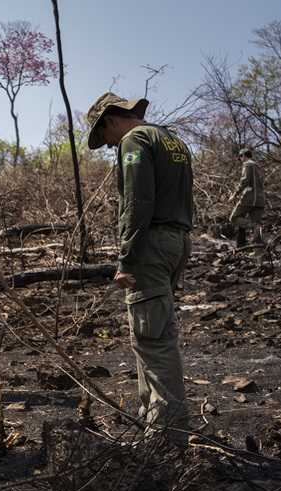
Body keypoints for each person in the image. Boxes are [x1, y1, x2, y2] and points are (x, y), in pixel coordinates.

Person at [86, 93, 193, 446]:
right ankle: (153, 426)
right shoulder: (172, 138)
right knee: (151, 334)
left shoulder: (134, 140)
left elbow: (137, 201)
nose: (108, 146)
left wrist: (126, 260)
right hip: (178, 241)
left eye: (105, 138)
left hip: (151, 244)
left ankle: (167, 436)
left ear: (111, 120)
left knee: (154, 339)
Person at [227, 148, 266, 246]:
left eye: (240, 158)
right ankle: (258, 250)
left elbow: (244, 181)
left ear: (243, 156)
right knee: (257, 224)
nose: (240, 161)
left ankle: (254, 226)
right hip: (260, 199)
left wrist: (234, 195)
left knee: (234, 217)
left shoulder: (247, 164)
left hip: (250, 197)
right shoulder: (258, 166)